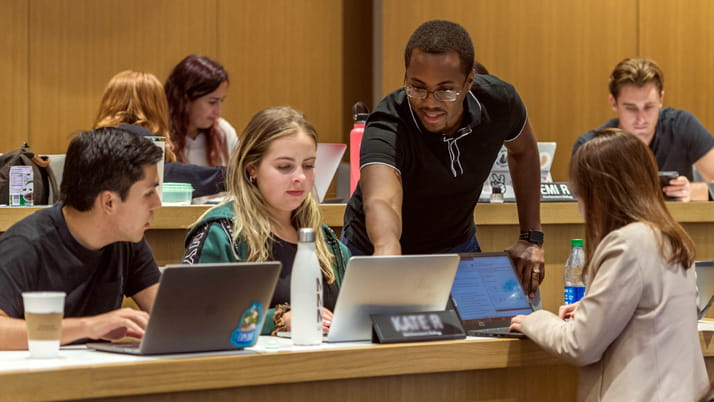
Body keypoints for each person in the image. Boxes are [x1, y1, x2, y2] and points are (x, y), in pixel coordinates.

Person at [342, 20, 544, 296]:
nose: (430, 102)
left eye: (446, 90)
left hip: (455, 246)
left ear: (469, 81)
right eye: (417, 87)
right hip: (372, 252)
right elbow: (382, 199)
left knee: (483, 333)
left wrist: (531, 237)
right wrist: (386, 252)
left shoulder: (499, 102)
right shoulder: (387, 123)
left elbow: (525, 151)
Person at [510, 128, 708, 401]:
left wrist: (535, 319)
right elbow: (659, 312)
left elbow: (578, 345)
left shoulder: (626, 243)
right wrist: (593, 306)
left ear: (600, 193)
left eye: (581, 192)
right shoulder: (671, 237)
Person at [183, 106, 350, 335]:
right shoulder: (221, 233)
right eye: (285, 167)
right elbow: (193, 315)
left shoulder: (326, 240)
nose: (300, 177)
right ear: (252, 169)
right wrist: (279, 320)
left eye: (309, 165)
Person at [0, 128, 163, 349]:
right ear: (109, 202)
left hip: (96, 376)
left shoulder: (126, 240)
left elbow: (168, 314)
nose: (157, 204)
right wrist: (90, 326)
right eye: (148, 193)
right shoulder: (25, 245)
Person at [573, 58, 714, 202]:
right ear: (613, 103)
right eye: (631, 108)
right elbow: (581, 205)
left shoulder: (682, 126)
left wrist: (692, 191)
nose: (641, 119)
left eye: (648, 107)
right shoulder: (590, 146)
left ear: (661, 99)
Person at [94, 70, 227, 198]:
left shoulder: (95, 139)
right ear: (155, 105)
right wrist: (230, 176)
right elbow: (167, 176)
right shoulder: (138, 136)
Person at [165, 54, 238, 167]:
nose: (218, 112)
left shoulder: (223, 132)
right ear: (185, 99)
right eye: (212, 102)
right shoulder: (159, 136)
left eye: (221, 101)